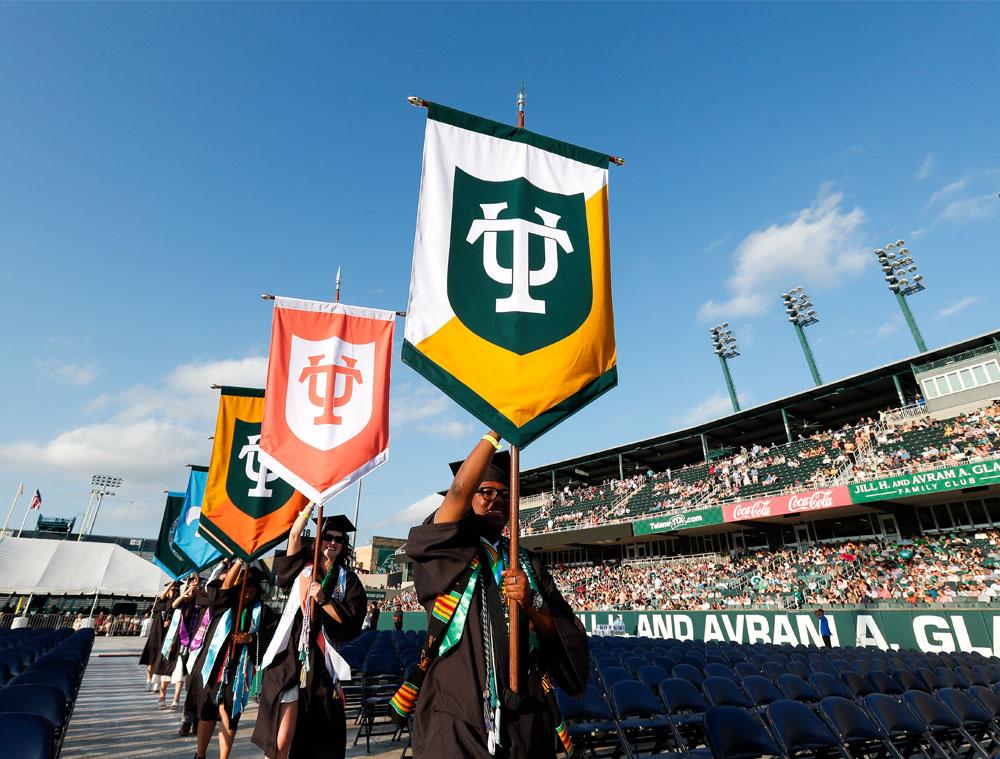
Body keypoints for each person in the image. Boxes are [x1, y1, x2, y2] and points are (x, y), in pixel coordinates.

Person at [400, 433, 589, 758]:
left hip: (527, 719)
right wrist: (495, 432)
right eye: (485, 491)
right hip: (457, 713)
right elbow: (458, 490)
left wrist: (532, 602)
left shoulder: (526, 562)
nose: (496, 499)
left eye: (505, 494)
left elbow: (564, 634)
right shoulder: (447, 552)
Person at [251, 510, 367, 759]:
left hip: (324, 664)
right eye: (327, 537)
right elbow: (293, 535)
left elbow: (352, 618)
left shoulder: (349, 580)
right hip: (292, 657)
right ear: (318, 539)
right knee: (281, 740)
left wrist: (324, 600)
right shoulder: (302, 570)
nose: (332, 543)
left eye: (338, 539)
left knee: (323, 736)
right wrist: (307, 508)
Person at [191, 561, 276, 759]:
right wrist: (239, 562)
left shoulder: (263, 611)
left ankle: (224, 757)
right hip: (214, 667)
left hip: (239, 669)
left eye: (252, 591)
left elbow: (270, 637)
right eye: (245, 590)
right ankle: (200, 754)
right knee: (208, 713)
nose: (248, 594)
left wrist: (251, 638)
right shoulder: (224, 604)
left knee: (231, 715)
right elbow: (223, 589)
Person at [140, 581, 178, 693]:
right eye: (171, 589)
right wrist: (171, 585)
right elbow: (162, 595)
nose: (173, 591)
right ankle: (148, 681)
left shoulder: (172, 604)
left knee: (160, 660)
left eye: (175, 589)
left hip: (166, 636)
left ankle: (156, 683)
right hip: (155, 634)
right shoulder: (161, 602)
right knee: (151, 660)